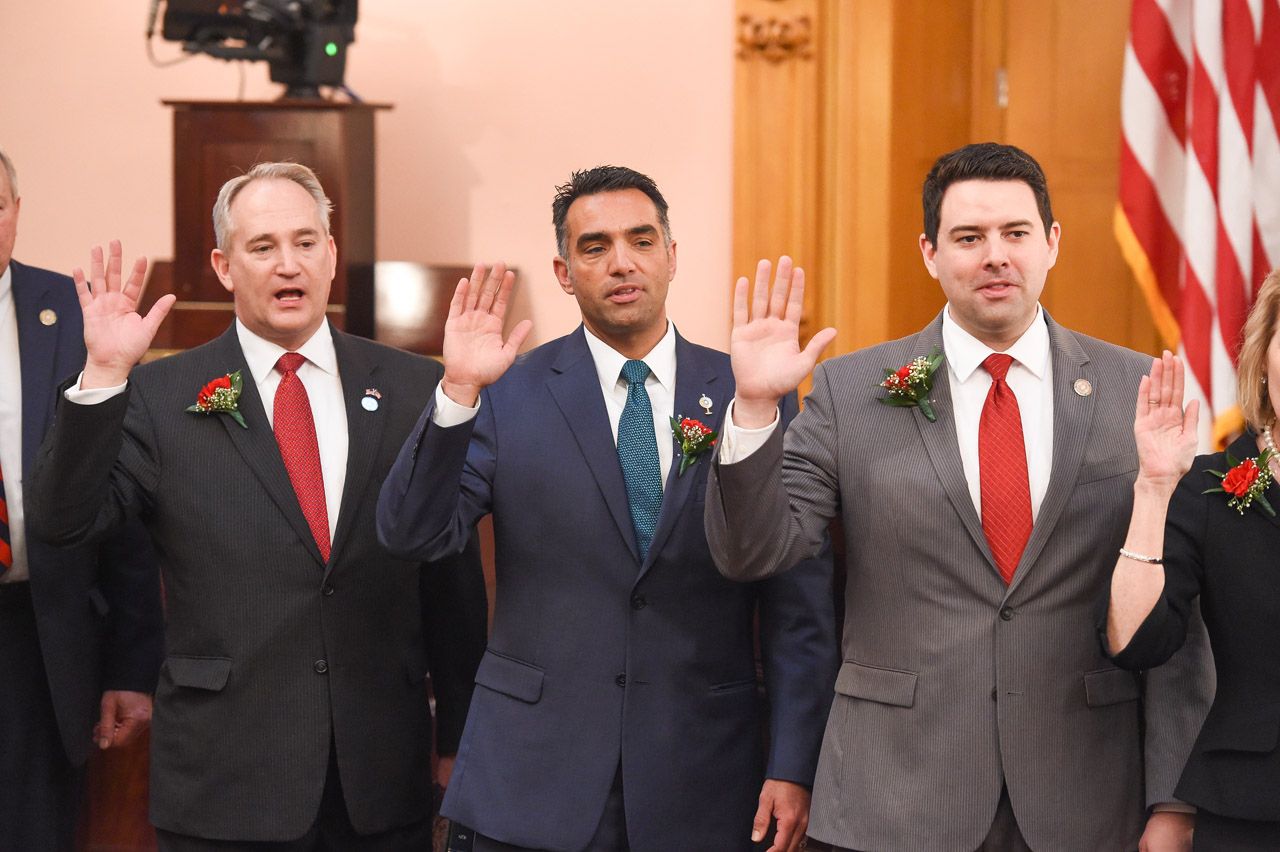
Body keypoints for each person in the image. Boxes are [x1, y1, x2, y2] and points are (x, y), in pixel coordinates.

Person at [705, 143, 1215, 852]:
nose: (995, 256)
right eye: (969, 238)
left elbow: (1177, 626)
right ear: (929, 253)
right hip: (895, 795)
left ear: (1053, 243)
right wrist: (758, 408)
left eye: (1015, 233)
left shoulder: (1136, 391)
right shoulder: (853, 393)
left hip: (1086, 798)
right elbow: (755, 550)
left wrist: (1175, 799)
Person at [26, 161, 488, 851]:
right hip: (225, 781)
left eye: (305, 242)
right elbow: (64, 523)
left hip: (379, 776)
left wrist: (458, 738)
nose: (288, 264)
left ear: (331, 254)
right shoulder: (160, 395)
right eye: (262, 247)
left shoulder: (418, 386)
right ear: (222, 264)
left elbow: (450, 582)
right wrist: (102, 379)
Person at [376, 165, 837, 852]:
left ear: (672, 257)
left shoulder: (749, 390)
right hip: (531, 779)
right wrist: (458, 391)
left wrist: (794, 763)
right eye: (594, 247)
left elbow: (798, 602)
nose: (621, 263)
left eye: (641, 240)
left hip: (704, 774)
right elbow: (412, 534)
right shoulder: (508, 391)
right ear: (564, 273)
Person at [0, 145, 163, 852]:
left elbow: (120, 509)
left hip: (38, 637)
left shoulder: (72, 315)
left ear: (14, 213)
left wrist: (131, 665)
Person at [1105, 268, 1280, 850]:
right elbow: (1136, 643)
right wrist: (1154, 487)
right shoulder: (1209, 488)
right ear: (1262, 359)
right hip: (1254, 805)